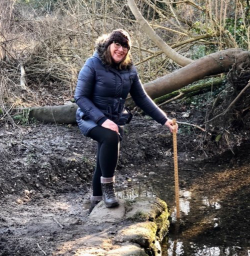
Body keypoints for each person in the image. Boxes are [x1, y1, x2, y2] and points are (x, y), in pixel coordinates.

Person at [74, 29, 177, 211]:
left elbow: (142, 98)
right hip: (89, 117)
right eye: (118, 44)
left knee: (103, 157)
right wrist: (101, 120)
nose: (121, 50)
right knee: (110, 137)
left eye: (125, 47)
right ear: (109, 45)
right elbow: (80, 97)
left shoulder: (129, 70)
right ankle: (108, 190)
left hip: (113, 119)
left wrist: (164, 120)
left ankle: (95, 202)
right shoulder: (93, 64)